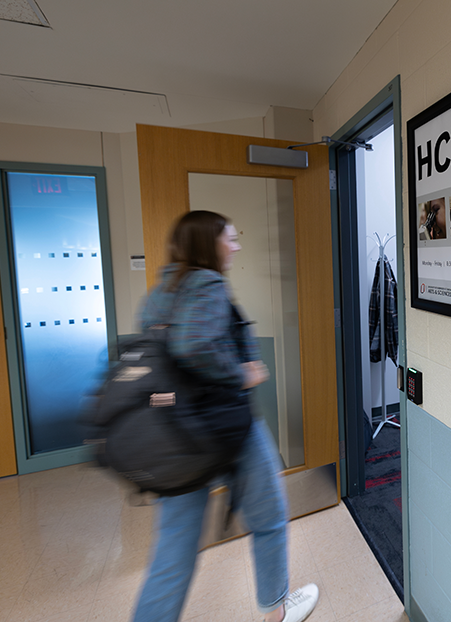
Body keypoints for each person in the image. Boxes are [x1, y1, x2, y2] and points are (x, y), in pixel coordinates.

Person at [133, 210, 318, 622]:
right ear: (208, 243)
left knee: (173, 551)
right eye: (229, 238)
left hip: (174, 434)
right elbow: (193, 347)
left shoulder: (163, 288)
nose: (235, 246)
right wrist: (241, 373)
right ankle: (278, 609)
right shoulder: (208, 283)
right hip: (226, 427)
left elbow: (160, 354)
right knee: (269, 516)